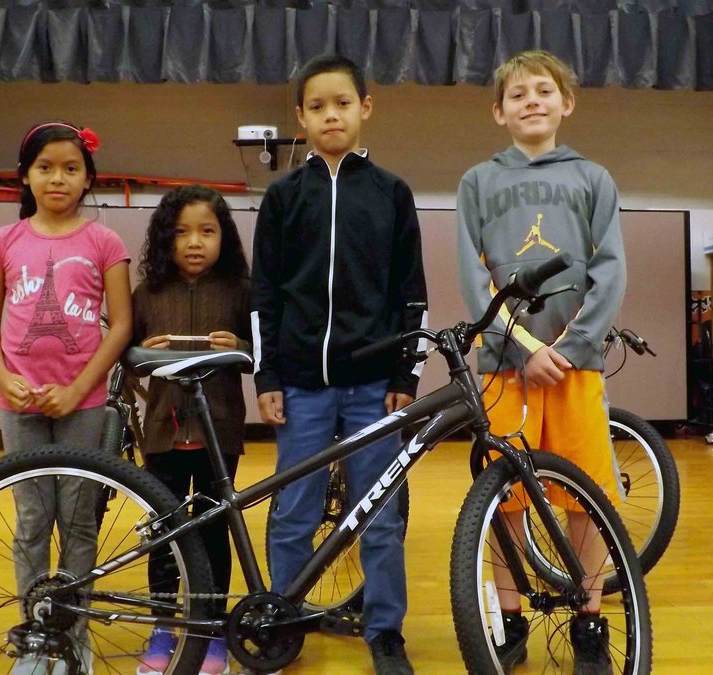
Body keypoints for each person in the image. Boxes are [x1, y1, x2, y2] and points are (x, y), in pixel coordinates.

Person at [251, 54, 428, 675]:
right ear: (300, 117)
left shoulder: (391, 193)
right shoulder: (282, 198)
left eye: (343, 103)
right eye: (318, 106)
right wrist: (267, 376)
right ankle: (284, 621)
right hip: (300, 386)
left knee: (380, 516)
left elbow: (412, 295)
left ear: (365, 109)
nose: (331, 115)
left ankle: (385, 632)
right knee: (294, 512)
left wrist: (406, 375)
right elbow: (264, 297)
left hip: (374, 388)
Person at [456, 50, 627, 675]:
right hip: (506, 368)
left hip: (575, 367)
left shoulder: (593, 178)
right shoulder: (477, 182)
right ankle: (509, 618)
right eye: (518, 94)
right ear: (498, 111)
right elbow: (474, 278)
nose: (532, 100)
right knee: (503, 498)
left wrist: (572, 345)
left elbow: (610, 270)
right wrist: (522, 347)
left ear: (566, 102)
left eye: (544, 90)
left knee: (587, 496)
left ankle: (588, 619)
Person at [0, 120, 132, 674]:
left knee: (79, 518)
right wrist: (4, 378)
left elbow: (121, 325)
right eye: (45, 167)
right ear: (25, 176)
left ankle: (74, 632)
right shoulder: (2, 242)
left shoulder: (105, 243)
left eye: (70, 168)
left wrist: (78, 389)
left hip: (81, 405)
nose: (58, 178)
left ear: (88, 177)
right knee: (32, 520)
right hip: (19, 406)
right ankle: (36, 635)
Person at [130, 185, 252, 675]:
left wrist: (240, 345)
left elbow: (262, 356)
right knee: (163, 532)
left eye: (207, 231)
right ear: (166, 239)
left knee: (215, 531)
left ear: (224, 237)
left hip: (219, 433)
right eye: (181, 233)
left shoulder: (240, 291)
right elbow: (126, 359)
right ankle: (163, 625)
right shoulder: (148, 293)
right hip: (162, 432)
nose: (194, 242)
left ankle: (211, 628)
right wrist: (144, 352)